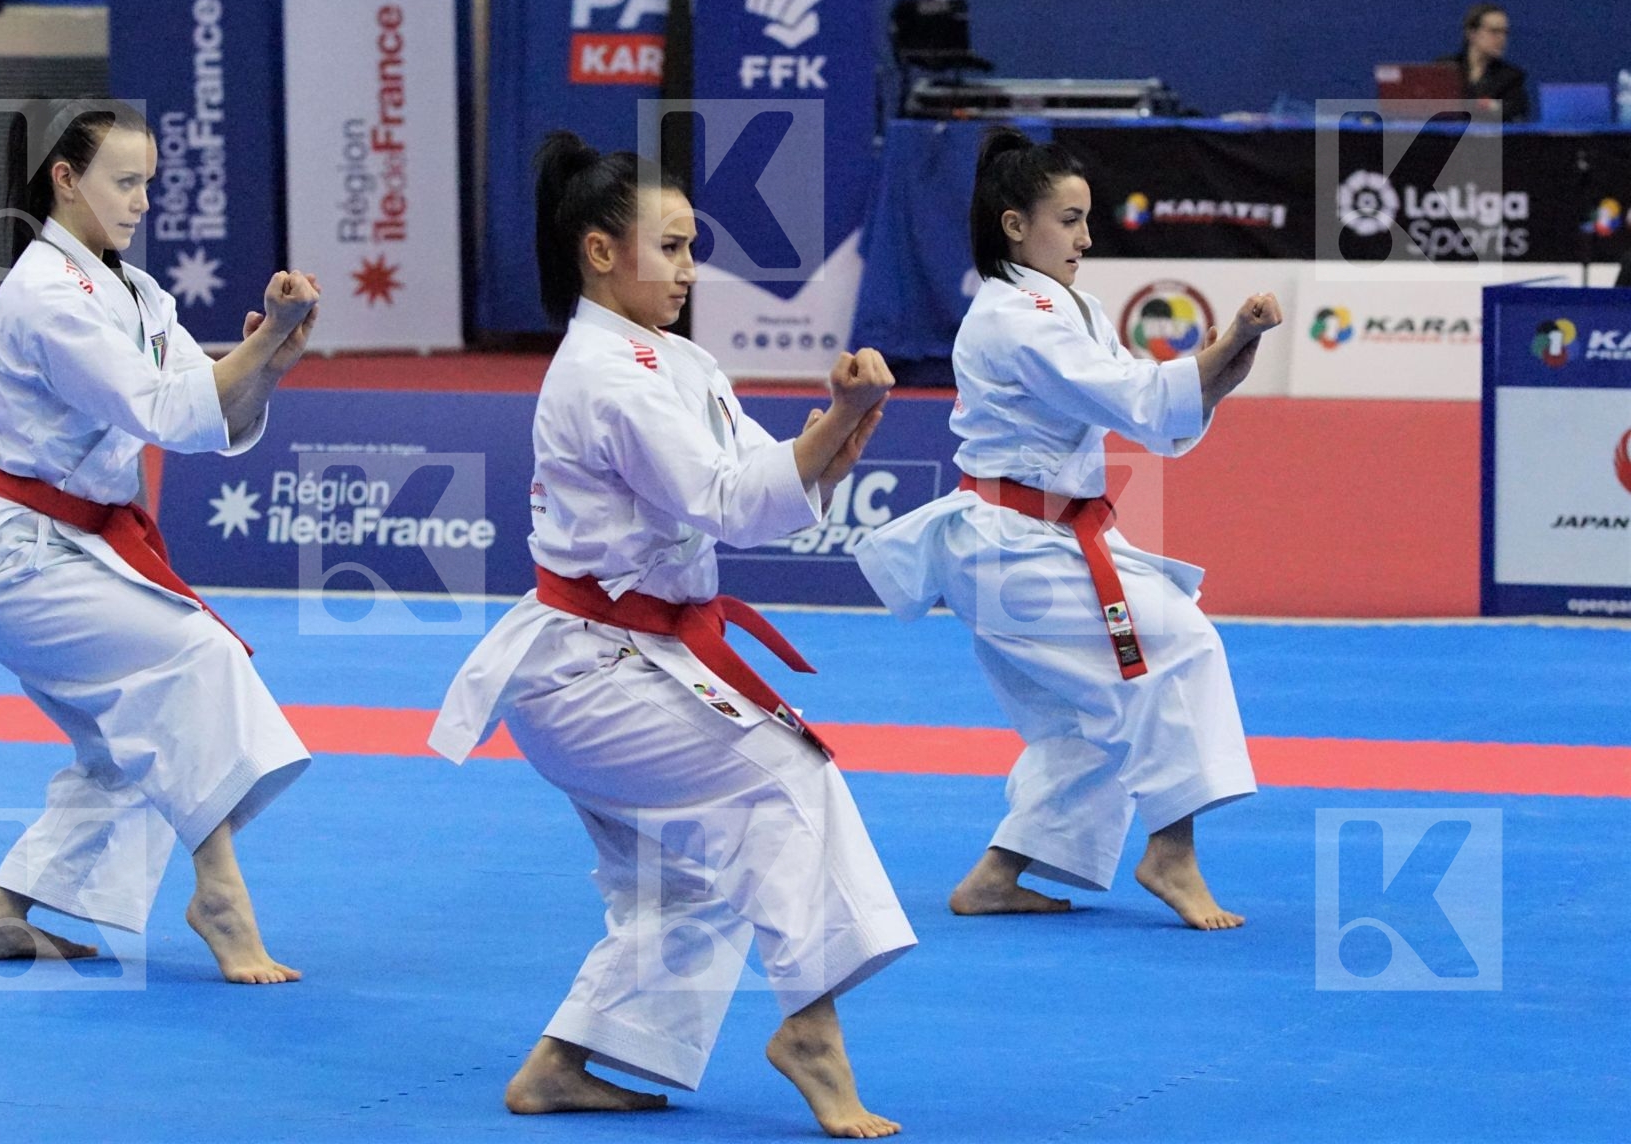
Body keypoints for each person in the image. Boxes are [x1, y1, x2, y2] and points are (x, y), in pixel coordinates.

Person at [429, 130, 916, 1137]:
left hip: (634, 660)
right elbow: (726, 504)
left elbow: (760, 484)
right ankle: (811, 1033)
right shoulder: (609, 376)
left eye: (696, 247)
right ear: (601, 252)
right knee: (791, 777)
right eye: (674, 247)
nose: (693, 269)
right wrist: (836, 424)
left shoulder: (673, 358)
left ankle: (564, 1064)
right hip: (597, 672)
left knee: (680, 880)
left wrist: (842, 425)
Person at [0, 98, 322, 983]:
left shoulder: (133, 289)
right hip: (21, 557)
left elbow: (208, 410)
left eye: (147, 185)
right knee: (192, 658)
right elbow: (168, 409)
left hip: (76, 546)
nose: (140, 202)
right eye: (123, 183)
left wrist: (270, 359)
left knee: (119, 745)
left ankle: (2, 917)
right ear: (66, 180)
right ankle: (221, 895)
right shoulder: (48, 294)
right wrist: (260, 349)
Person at [855, 127, 1282, 931]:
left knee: (1083, 722)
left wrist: (1230, 361)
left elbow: (1151, 417)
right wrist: (1226, 344)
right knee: (1178, 646)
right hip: (1014, 548)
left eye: (1088, 219)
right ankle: (1172, 851)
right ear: (1016, 225)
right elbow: (1140, 399)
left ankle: (996, 876)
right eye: (1069, 219)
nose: (1087, 238)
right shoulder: (1017, 318)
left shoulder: (1068, 306)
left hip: (1044, 540)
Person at [1444, 3, 1529, 123]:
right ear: (1472, 34)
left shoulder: (1511, 76)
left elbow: (1514, 110)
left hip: (1490, 139)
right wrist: (1483, 106)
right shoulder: (1445, 68)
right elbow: (1429, 107)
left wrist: (1465, 106)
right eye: (1494, 31)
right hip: (1447, 139)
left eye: (1505, 32)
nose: (1502, 39)